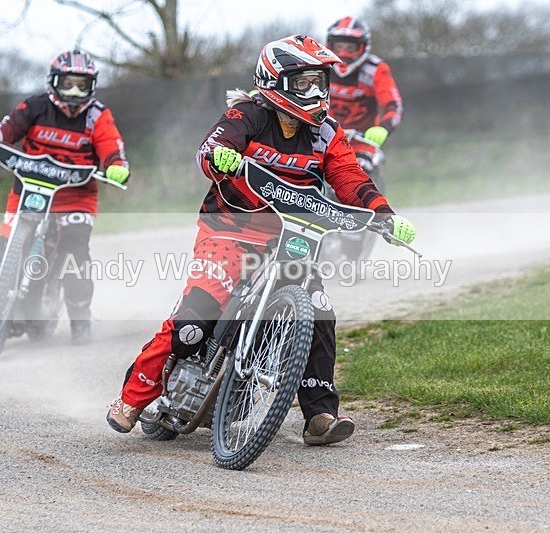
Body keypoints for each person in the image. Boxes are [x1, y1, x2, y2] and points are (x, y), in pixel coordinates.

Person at [106, 35, 416, 445]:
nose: (317, 93)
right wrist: (220, 157)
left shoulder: (327, 133)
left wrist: (383, 215)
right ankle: (131, 400)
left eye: (321, 82)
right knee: (194, 322)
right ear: (277, 82)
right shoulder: (247, 114)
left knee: (318, 311)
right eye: (305, 83)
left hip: (293, 235)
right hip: (229, 230)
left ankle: (320, 416)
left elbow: (350, 177)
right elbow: (210, 148)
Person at [0, 49, 130, 346]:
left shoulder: (97, 116)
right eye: (68, 84)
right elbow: (7, 128)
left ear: (92, 87)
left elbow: (111, 145)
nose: (75, 91)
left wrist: (117, 166)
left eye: (83, 85)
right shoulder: (35, 106)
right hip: (27, 191)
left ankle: (80, 319)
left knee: (75, 256)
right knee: (0, 255)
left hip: (75, 198)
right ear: (54, 82)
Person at [326, 16, 403, 152]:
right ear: (330, 46)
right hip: (323, 141)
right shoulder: (320, 67)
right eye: (338, 47)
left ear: (363, 47)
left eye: (350, 48)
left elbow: (393, 104)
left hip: (361, 144)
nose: (343, 53)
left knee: (357, 172)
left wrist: (383, 128)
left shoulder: (375, 70)